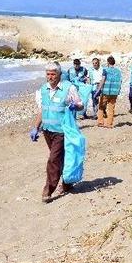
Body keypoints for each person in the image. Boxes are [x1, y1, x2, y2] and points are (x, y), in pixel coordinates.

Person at [29, 62, 84, 203]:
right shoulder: (43, 90)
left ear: (59, 74)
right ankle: (67, 183)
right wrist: (36, 127)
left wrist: (74, 106)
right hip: (47, 131)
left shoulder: (68, 88)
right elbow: (42, 110)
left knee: (53, 160)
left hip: (62, 131)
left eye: (53, 74)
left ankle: (48, 189)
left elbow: (81, 105)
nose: (50, 76)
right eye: (48, 74)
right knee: (61, 158)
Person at [96, 56, 122, 128]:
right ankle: (109, 124)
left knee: (101, 106)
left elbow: (103, 80)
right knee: (111, 108)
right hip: (114, 92)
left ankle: (100, 122)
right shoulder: (118, 71)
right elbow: (120, 81)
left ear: (108, 62)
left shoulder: (105, 70)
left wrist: (98, 90)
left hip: (106, 91)